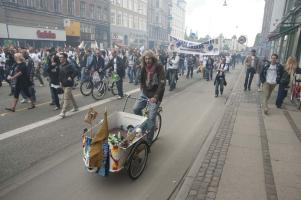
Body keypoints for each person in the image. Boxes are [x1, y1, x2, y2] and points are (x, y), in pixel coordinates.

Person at [133, 50, 166, 144]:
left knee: (151, 118)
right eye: (146, 59)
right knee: (135, 109)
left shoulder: (159, 67)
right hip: (145, 92)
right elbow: (142, 79)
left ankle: (149, 141)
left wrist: (156, 97)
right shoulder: (143, 66)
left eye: (149, 58)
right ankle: (143, 125)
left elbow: (162, 83)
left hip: (156, 94)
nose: (147, 60)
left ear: (153, 58)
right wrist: (142, 87)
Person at [58, 53, 78, 118]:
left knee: (66, 98)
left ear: (65, 58)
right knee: (70, 96)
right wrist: (60, 82)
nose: (60, 58)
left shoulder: (70, 65)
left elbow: (76, 71)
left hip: (69, 84)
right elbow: (60, 75)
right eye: (59, 57)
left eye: (61, 57)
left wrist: (71, 77)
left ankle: (63, 112)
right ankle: (75, 107)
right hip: (63, 84)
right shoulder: (60, 65)